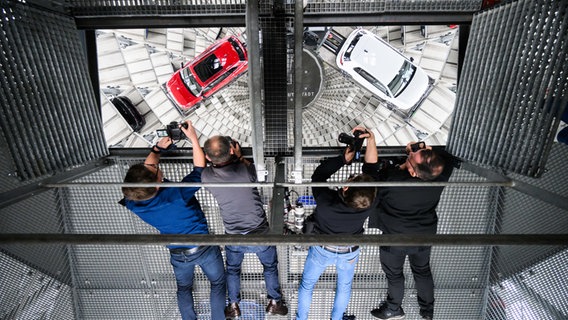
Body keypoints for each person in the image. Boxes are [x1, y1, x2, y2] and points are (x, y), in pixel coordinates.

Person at [120, 121, 226, 320]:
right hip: (203, 247)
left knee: (184, 287)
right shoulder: (176, 194)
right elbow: (199, 170)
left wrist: (157, 148)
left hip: (178, 254)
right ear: (158, 184)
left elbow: (149, 167)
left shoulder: (133, 201)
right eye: (156, 172)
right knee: (218, 283)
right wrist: (194, 138)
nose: (156, 168)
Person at [296, 127, 379, 320]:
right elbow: (372, 170)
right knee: (344, 286)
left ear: (346, 187)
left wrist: (343, 159)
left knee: (308, 285)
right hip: (349, 251)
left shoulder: (326, 201)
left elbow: (318, 177)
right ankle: (337, 317)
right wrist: (371, 141)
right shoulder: (369, 203)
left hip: (322, 249)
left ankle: (301, 318)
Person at [201, 135, 288, 319]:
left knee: (233, 269)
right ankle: (274, 302)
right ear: (232, 150)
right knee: (270, 266)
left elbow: (212, 167)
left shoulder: (206, 176)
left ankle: (233, 305)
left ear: (208, 158)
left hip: (233, 234)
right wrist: (240, 157)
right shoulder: (244, 170)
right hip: (259, 232)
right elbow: (252, 173)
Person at [365, 140, 452, 320]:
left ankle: (394, 308)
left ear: (413, 172)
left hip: (394, 238)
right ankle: (427, 312)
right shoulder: (440, 176)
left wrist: (412, 155)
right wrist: (427, 152)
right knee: (422, 270)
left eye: (411, 155)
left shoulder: (393, 180)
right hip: (424, 236)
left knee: (395, 274)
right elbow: (447, 160)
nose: (411, 152)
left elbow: (372, 178)